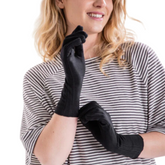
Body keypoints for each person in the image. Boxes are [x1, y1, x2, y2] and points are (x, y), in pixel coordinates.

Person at [20, 0, 165, 164]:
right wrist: (72, 87)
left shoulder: (138, 59)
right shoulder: (39, 77)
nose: (101, 3)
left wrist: (120, 144)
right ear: (60, 1)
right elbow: (50, 158)